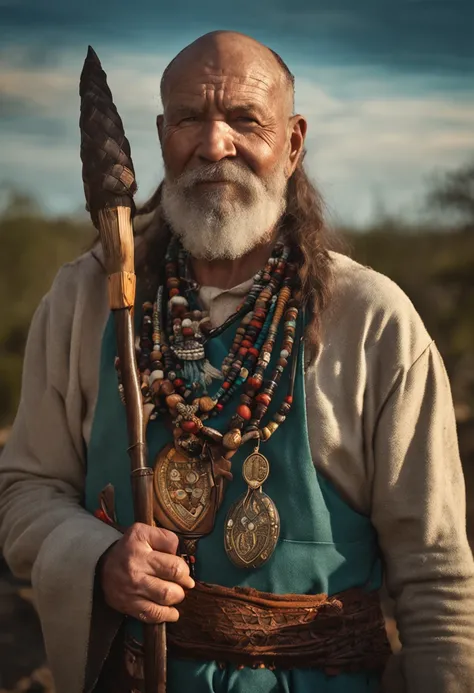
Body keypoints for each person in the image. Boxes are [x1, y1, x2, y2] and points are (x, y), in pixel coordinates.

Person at [1, 29, 473, 693]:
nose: (214, 144)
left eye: (245, 120)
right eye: (191, 118)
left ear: (294, 141)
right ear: (162, 134)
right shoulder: (86, 298)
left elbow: (437, 574)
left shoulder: (373, 320)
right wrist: (99, 556)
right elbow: (22, 491)